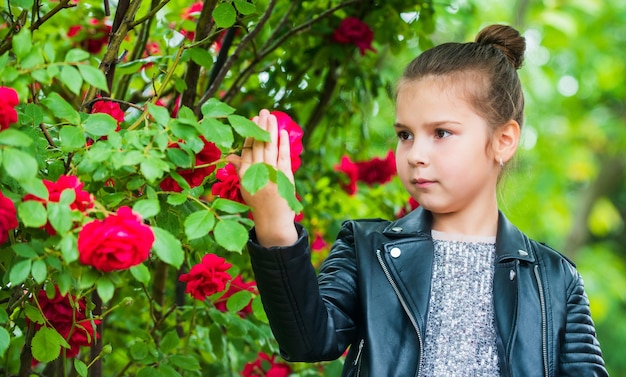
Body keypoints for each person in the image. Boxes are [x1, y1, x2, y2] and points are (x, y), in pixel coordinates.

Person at [231, 24, 608, 376]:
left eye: (441, 132)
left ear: (503, 140)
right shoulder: (366, 250)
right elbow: (309, 341)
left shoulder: (555, 280)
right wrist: (275, 226)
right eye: (405, 134)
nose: (415, 154)